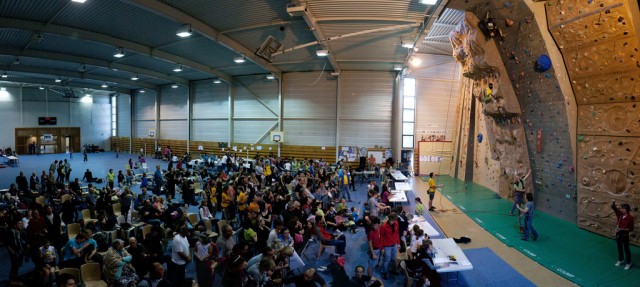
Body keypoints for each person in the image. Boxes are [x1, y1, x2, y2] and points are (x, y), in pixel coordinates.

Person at [612, 202, 634, 270]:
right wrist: (613, 205)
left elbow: (631, 229)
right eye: (622, 208)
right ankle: (621, 260)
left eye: (623, 209)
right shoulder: (620, 215)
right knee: (619, 248)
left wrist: (621, 229)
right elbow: (615, 209)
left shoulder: (630, 218)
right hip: (618, 234)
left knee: (626, 249)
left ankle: (628, 262)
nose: (622, 210)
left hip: (625, 235)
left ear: (627, 209)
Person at [380, 212, 400, 279]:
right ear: (388, 219)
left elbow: (397, 233)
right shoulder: (384, 226)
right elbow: (381, 237)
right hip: (387, 247)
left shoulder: (396, 223)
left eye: (393, 221)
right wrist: (382, 248)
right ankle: (384, 272)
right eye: (391, 220)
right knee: (386, 260)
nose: (392, 222)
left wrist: (398, 243)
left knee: (393, 259)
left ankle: (392, 270)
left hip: (394, 245)